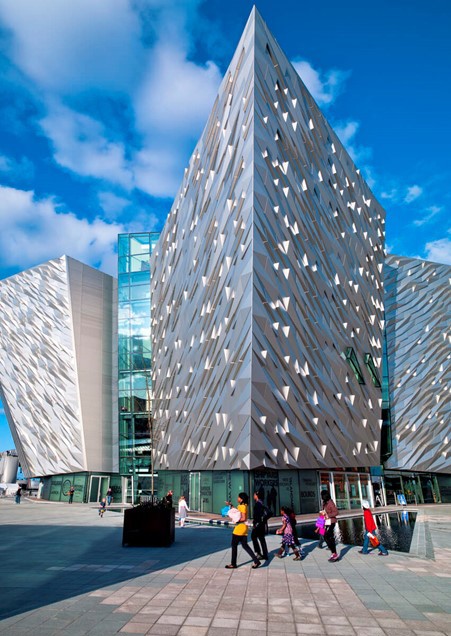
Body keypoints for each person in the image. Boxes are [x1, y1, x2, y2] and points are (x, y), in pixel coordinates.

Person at [224, 493, 261, 569]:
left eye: (238, 497)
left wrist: (236, 520)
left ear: (241, 499)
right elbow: (238, 512)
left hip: (239, 529)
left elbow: (243, 518)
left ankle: (233, 564)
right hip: (244, 528)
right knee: (245, 545)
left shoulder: (242, 506)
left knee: (234, 545)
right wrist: (230, 505)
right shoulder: (244, 505)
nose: (237, 498)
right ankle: (256, 561)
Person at [321, 490, 340, 562]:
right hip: (325, 522)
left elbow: (336, 512)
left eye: (322, 495)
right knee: (324, 535)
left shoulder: (330, 502)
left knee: (327, 536)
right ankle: (333, 552)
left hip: (331, 522)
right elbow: (323, 513)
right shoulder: (324, 503)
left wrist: (328, 515)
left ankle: (334, 554)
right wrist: (319, 524)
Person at [251, 492, 269, 561]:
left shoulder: (258, 504)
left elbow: (257, 515)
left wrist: (255, 523)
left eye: (254, 495)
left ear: (257, 496)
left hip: (258, 524)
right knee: (262, 538)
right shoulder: (262, 503)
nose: (253, 496)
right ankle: (265, 554)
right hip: (262, 523)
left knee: (253, 536)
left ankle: (258, 553)